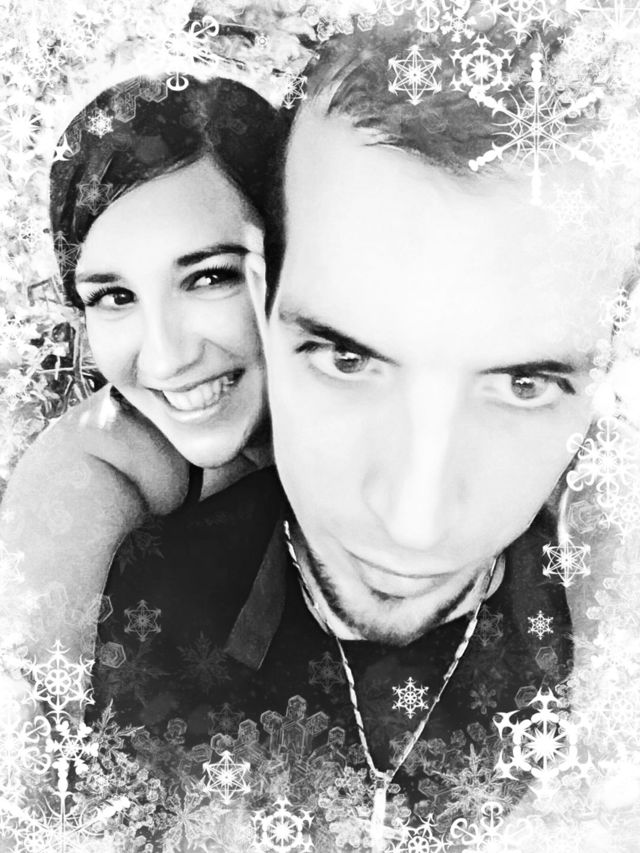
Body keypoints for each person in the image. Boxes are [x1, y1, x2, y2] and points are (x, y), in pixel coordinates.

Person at [83, 17, 639, 852]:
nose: (414, 522)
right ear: (262, 299)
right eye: (347, 359)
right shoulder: (140, 609)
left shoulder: (608, 663)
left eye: (524, 385)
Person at [0, 72, 289, 664]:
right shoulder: (92, 469)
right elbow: (28, 699)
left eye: (209, 277)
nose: (165, 358)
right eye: (115, 297)